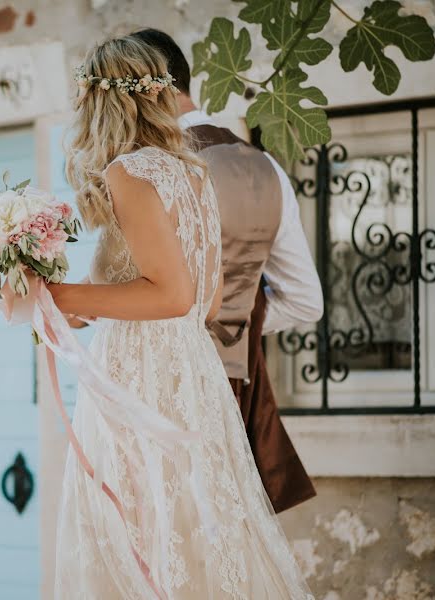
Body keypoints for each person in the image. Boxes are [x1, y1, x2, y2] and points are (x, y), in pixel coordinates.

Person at [48, 34, 313, 599]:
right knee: (200, 537)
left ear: (101, 102)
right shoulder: (191, 171)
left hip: (138, 383)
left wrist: (63, 297)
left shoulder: (127, 173)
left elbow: (171, 295)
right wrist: (65, 306)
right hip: (194, 376)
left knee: (136, 539)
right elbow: (208, 301)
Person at [131, 28, 323, 514]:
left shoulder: (145, 173)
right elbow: (306, 301)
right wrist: (239, 320)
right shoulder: (266, 169)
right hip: (235, 390)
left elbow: (133, 292)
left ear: (151, 89)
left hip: (158, 392)